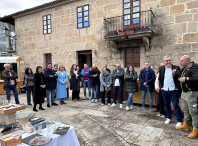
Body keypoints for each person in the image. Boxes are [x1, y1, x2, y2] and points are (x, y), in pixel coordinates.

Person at [176, 55, 198, 139]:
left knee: (193, 111)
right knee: (185, 109)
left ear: (187, 61)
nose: (180, 62)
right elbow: (180, 77)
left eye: (182, 61)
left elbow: (196, 78)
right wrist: (176, 73)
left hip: (191, 93)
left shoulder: (194, 68)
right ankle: (186, 124)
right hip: (184, 92)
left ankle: (196, 129)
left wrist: (186, 79)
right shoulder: (184, 68)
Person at [159, 56, 183, 127]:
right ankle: (169, 118)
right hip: (165, 90)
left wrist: (177, 87)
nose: (168, 62)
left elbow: (179, 78)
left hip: (173, 90)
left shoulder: (176, 68)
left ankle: (179, 120)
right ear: (164, 62)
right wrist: (161, 87)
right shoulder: (162, 68)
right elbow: (160, 79)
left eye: (169, 60)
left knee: (175, 105)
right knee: (167, 104)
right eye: (166, 61)